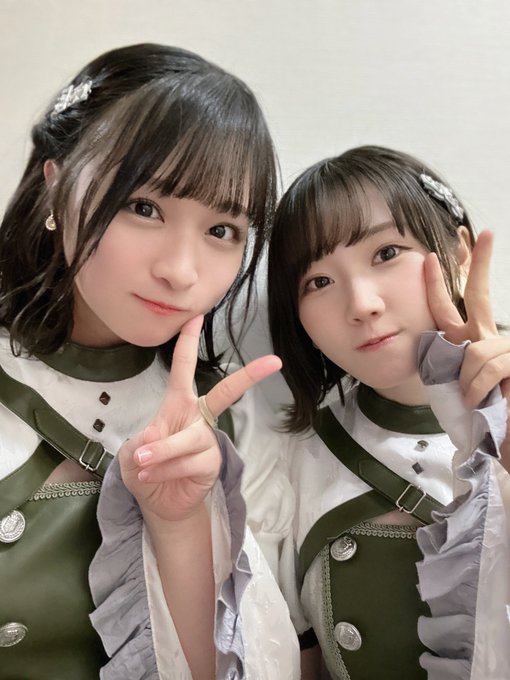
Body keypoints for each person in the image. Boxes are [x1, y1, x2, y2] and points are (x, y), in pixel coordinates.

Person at [0, 43, 299, 679]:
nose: (181, 271)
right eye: (144, 207)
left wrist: (180, 523)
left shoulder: (235, 425)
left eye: (221, 230)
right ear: (56, 185)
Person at [267, 145, 510, 679]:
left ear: (460, 252)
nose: (362, 304)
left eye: (386, 253)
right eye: (319, 282)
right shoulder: (293, 458)